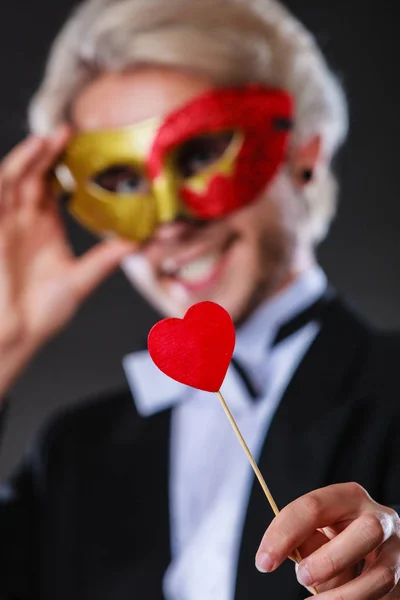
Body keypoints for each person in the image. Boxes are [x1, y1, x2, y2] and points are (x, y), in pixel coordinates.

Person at [0, 0, 399, 598]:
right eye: (123, 181)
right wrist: (6, 344)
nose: (169, 222)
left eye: (201, 153)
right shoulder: (73, 455)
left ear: (304, 153)